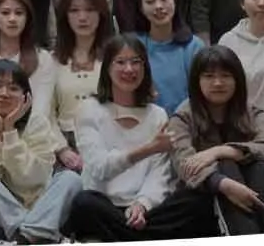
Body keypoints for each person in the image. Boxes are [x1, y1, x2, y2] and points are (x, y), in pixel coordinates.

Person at [67, 35, 214, 242]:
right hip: (104, 205)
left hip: (147, 210)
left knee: (196, 201)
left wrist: (142, 204)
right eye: (120, 62)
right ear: (107, 68)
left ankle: (129, 235)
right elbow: (100, 168)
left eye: (136, 62)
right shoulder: (89, 109)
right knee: (84, 203)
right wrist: (149, 148)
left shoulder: (157, 114)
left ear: (145, 68)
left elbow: (160, 173)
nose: (129, 69)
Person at [167, 45, 264, 235]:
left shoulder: (251, 112)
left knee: (257, 165)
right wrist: (223, 184)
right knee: (225, 165)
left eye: (226, 76)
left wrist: (220, 151)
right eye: (209, 76)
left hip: (253, 188)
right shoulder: (182, 118)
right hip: (202, 198)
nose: (218, 83)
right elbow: (184, 164)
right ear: (196, 81)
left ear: (237, 80)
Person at [0, 59, 81, 244]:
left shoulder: (37, 123)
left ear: (26, 97)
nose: (4, 94)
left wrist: (10, 131)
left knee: (71, 179)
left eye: (13, 88)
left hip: (40, 208)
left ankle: (24, 239)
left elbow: (34, 180)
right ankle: (38, 236)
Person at [50, 0, 111, 171]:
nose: (82, 17)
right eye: (74, 11)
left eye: (90, 10)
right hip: (63, 146)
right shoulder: (50, 61)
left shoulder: (115, 57)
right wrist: (62, 149)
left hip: (108, 142)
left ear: (101, 13)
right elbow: (45, 113)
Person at [133, 0, 203, 112]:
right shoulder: (134, 45)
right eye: (150, 1)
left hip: (187, 120)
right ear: (141, 8)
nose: (158, 6)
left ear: (175, 2)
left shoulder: (194, 47)